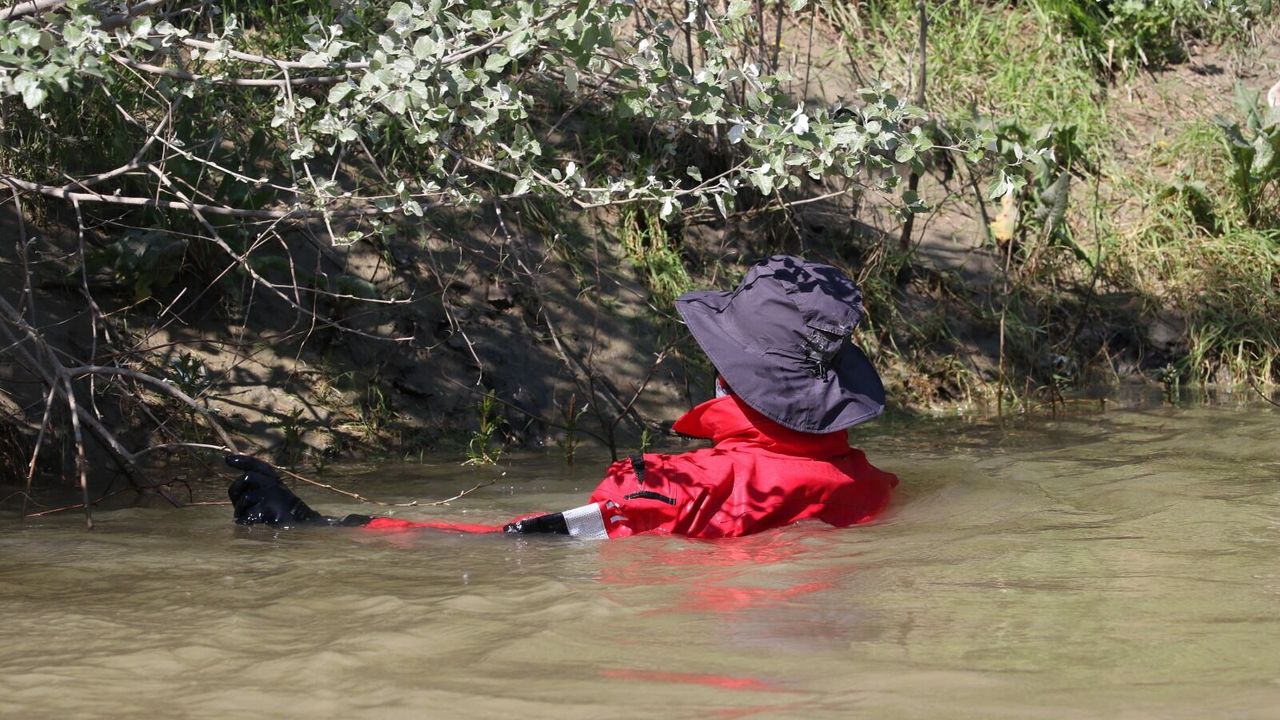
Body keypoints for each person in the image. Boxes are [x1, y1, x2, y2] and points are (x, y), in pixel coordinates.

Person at [227, 255, 898, 539]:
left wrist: (320, 528)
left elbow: (517, 544)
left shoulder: (671, 489)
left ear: (731, 376)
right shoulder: (869, 486)